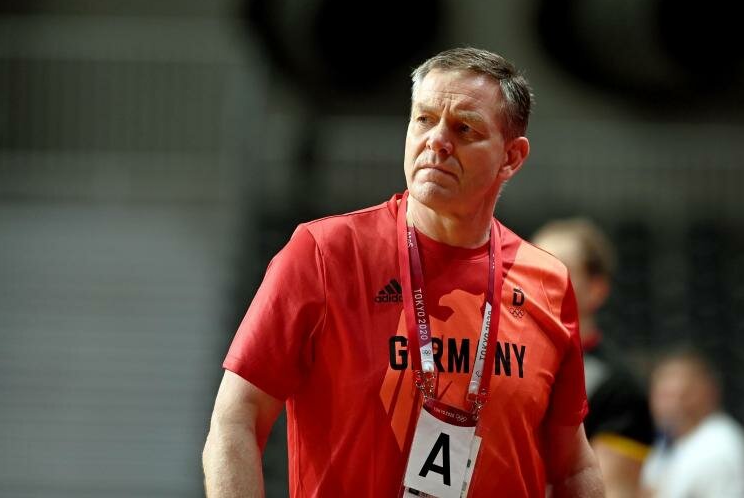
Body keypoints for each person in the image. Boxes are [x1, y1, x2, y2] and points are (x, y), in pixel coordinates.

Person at [202, 47, 605, 497]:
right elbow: (235, 418)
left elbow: (573, 468)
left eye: (464, 128)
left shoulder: (546, 281)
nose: (437, 140)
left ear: (511, 158)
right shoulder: (324, 254)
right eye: (424, 119)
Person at [532, 219, 655, 498]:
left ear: (597, 289)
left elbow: (613, 491)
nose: (538, 280)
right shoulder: (508, 359)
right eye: (534, 266)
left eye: (557, 270)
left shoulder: (619, 386)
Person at [639, 347, 744, 498]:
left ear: (710, 393)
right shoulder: (667, 439)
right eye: (665, 395)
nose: (673, 405)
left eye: (685, 395)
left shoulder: (718, 445)